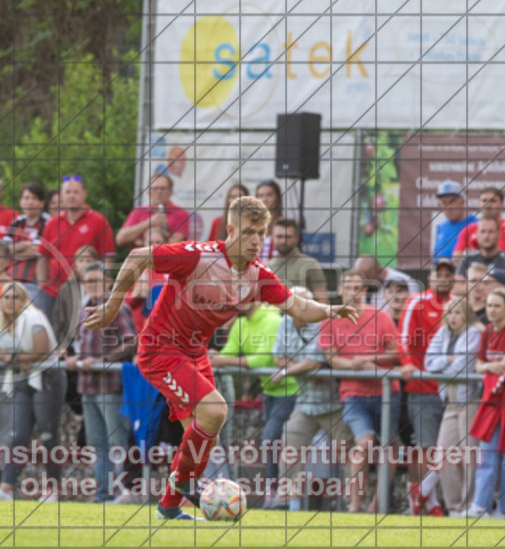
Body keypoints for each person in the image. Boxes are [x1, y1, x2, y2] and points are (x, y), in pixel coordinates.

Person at [81, 196, 358, 520]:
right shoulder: (199, 256)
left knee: (204, 434)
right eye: (248, 232)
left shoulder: (259, 276)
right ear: (230, 229)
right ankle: (185, 486)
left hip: (194, 355)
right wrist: (113, 304)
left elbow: (297, 306)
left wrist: (329, 309)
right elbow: (139, 255)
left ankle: (169, 506)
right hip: (160, 350)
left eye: (261, 233)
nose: (256, 240)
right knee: (215, 410)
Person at [272, 286, 355, 512]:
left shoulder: (321, 324)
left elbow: (314, 362)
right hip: (306, 401)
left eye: (305, 303)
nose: (300, 308)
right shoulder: (285, 323)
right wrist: (298, 369)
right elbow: (279, 357)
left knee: (346, 452)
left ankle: (354, 504)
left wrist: (291, 371)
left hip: (332, 402)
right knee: (290, 444)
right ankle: (283, 501)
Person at [321, 273, 400, 514]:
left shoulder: (380, 316)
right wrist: (357, 364)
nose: (355, 293)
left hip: (386, 393)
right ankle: (355, 505)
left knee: (389, 449)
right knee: (363, 443)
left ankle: (376, 505)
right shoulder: (330, 319)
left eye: (359, 288)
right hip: (353, 393)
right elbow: (332, 358)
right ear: (340, 290)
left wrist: (368, 359)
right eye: (350, 288)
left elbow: (395, 353)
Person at [0, 281, 61, 502]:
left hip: (46, 377)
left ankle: (52, 490)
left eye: (15, 297)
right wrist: (18, 360)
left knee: (47, 435)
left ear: (24, 299)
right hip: (19, 377)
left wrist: (15, 358)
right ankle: (5, 489)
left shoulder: (33, 317)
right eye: (6, 297)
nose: (10, 301)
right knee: (17, 435)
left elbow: (43, 352)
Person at [66, 263, 137, 503]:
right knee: (96, 442)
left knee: (117, 440)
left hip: (111, 386)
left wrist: (102, 360)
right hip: (87, 385)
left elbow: (130, 342)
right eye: (88, 282)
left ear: (108, 282)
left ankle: (122, 492)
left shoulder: (118, 307)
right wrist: (75, 357)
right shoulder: (84, 310)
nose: (92, 286)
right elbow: (78, 343)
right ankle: (102, 494)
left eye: (97, 281)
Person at [210, 301, 293, 508]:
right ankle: (276, 493)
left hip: (290, 390)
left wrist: (222, 361)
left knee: (271, 440)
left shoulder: (272, 320)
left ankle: (276, 494)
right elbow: (228, 353)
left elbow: (265, 360)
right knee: (273, 442)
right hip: (269, 391)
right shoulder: (240, 324)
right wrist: (214, 357)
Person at [399, 259, 454, 516]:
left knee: (447, 448)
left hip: (452, 390)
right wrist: (409, 364)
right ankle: (423, 503)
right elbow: (404, 340)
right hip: (423, 388)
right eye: (438, 274)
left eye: (448, 275)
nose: (443, 278)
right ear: (430, 277)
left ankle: (430, 500)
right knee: (425, 447)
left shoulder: (457, 303)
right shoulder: (416, 302)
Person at [467, 288, 505, 519]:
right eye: (489, 306)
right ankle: (481, 505)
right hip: (491, 399)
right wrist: (490, 367)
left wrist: (488, 367)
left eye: (496, 306)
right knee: (487, 453)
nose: (491, 310)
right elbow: (479, 365)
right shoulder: (488, 330)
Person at [423, 297, 482, 517]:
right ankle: (454, 507)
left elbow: (460, 367)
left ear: (466, 314)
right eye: (449, 313)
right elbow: (429, 363)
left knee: (469, 454)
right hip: (449, 400)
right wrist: (447, 360)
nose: (453, 317)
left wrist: (446, 362)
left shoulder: (474, 333)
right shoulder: (442, 333)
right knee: (443, 455)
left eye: (457, 312)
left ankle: (470, 506)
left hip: (469, 400)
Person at [35, 177, 116, 327]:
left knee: (82, 331)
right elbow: (42, 256)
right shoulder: (52, 223)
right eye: (67, 192)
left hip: (85, 291)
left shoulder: (99, 221)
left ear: (84, 194)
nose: (71, 196)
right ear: (62, 195)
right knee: (48, 330)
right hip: (52, 291)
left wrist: (103, 285)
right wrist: (41, 284)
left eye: (76, 192)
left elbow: (108, 258)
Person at [117, 173, 191, 248]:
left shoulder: (180, 213)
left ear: (171, 192)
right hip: (141, 259)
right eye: (155, 188)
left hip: (166, 259)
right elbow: (120, 239)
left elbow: (176, 243)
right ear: (148, 192)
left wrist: (141, 240)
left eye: (163, 188)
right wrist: (149, 223)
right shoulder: (138, 211)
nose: (159, 192)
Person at [266, 218, 328, 302]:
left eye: (287, 237)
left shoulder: (310, 264)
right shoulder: (267, 268)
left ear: (296, 238)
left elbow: (323, 301)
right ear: (272, 237)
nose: (283, 241)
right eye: (279, 236)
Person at [452, 187, 505, 259]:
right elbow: (456, 259)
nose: (488, 205)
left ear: (502, 204)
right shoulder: (468, 229)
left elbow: (494, 256)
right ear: (479, 204)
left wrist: (469, 253)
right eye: (484, 201)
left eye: (493, 201)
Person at [455, 217, 505, 290]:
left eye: (491, 232)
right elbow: (457, 288)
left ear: (499, 234)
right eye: (483, 231)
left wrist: (471, 285)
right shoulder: (467, 259)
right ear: (477, 234)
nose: (486, 236)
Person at [7, 182, 51, 280]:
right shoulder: (17, 222)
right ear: (20, 201)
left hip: (35, 281)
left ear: (42, 202)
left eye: (34, 198)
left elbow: (37, 251)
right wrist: (27, 244)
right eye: (26, 198)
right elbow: (4, 249)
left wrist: (14, 251)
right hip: (11, 278)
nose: (30, 202)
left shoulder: (48, 222)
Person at [352, 254, 420, 312]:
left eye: (368, 280)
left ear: (378, 272)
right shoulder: (363, 286)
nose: (365, 285)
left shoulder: (405, 282)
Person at [433, 181, 476, 262]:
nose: (448, 207)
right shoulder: (441, 227)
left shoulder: (477, 225)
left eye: (452, 202)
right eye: (444, 202)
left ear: (462, 202)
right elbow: (436, 260)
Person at [256, 180, 284, 261]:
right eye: (260, 196)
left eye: (269, 195)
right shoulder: (251, 222)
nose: (264, 199)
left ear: (277, 197)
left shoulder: (283, 223)